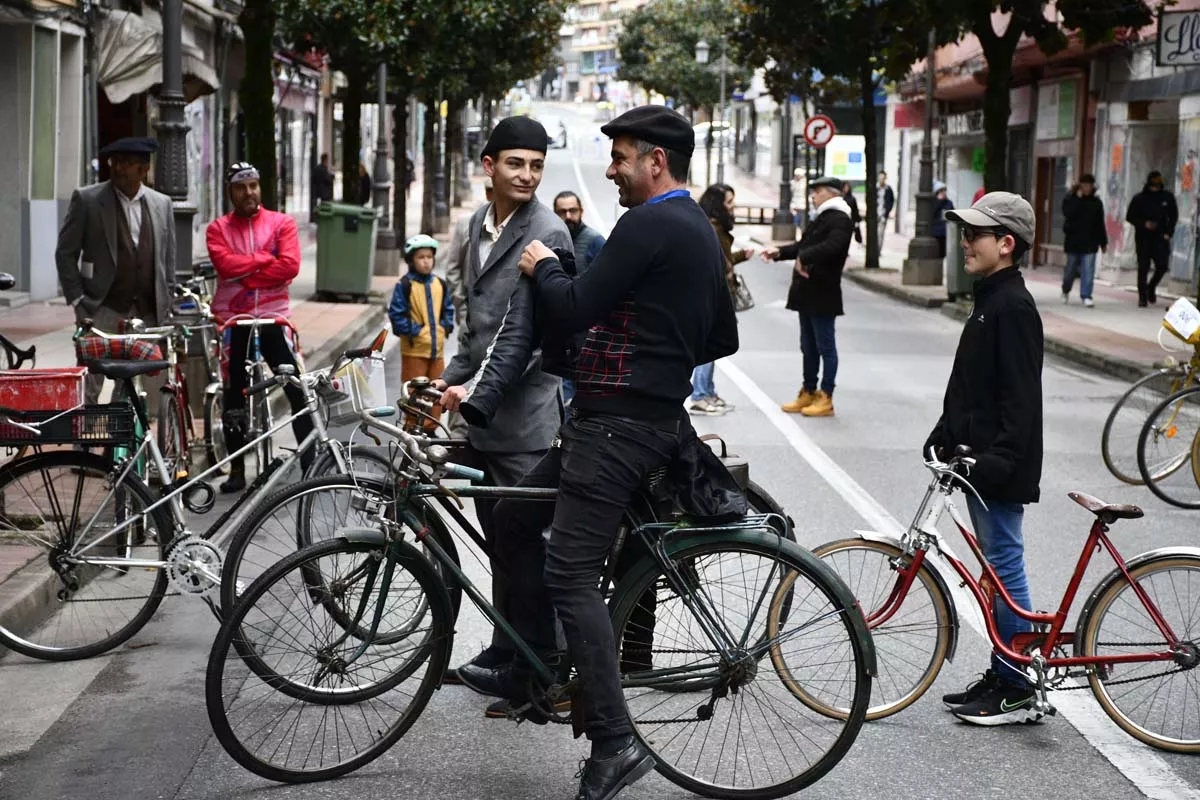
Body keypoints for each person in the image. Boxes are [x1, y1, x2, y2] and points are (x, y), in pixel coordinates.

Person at [454, 104, 737, 800]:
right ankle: (527, 667)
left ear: (655, 162)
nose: (610, 170)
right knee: (515, 521)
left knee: (570, 574)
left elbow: (574, 306)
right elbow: (722, 336)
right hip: (640, 419)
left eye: (620, 158)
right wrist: (659, 355)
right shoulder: (697, 228)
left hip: (616, 427)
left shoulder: (648, 224)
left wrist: (546, 265)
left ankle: (613, 743)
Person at [433, 116, 573, 683]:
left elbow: (539, 344)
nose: (527, 175)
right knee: (499, 542)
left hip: (527, 420)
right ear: (488, 166)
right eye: (516, 163)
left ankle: (545, 664)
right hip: (481, 414)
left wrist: (476, 388)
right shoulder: (476, 225)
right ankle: (504, 646)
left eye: (536, 165)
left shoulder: (549, 232)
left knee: (529, 546)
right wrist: (448, 380)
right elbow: (477, 327)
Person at [927, 191, 1044, 725]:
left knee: (1005, 566)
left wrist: (996, 461)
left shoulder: (1013, 307)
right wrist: (944, 432)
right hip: (980, 460)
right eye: (965, 232)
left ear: (1006, 243)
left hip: (997, 465)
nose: (964, 242)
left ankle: (1018, 684)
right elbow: (972, 388)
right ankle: (1005, 671)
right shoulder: (989, 298)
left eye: (975, 234)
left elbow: (1019, 399)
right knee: (996, 569)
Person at [205, 162, 308, 492]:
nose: (248, 192)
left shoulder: (282, 223)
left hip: (274, 318)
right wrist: (266, 259)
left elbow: (290, 265)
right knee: (234, 393)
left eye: (253, 185)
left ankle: (312, 462)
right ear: (230, 192)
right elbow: (224, 265)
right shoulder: (218, 229)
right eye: (240, 187)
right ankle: (237, 469)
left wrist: (245, 275)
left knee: (296, 387)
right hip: (234, 321)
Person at [55, 136, 177, 404]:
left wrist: (166, 301)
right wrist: (78, 300)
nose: (119, 168)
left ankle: (134, 442)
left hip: (147, 312)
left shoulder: (161, 204)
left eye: (127, 163)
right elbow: (65, 253)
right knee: (90, 386)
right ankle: (84, 443)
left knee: (152, 389)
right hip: (102, 309)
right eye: (116, 161)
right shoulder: (88, 200)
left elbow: (168, 260)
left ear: (144, 169)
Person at [764, 175, 854, 418]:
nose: (813, 196)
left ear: (829, 193)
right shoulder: (823, 217)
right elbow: (804, 245)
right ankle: (809, 390)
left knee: (825, 346)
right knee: (808, 346)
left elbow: (834, 246)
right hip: (809, 292)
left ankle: (826, 396)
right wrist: (779, 253)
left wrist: (805, 256)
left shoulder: (840, 218)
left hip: (823, 292)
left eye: (817, 192)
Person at [691, 182, 752, 415]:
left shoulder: (714, 226)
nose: (733, 206)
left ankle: (708, 391)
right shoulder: (711, 227)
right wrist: (728, 265)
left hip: (717, 292)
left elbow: (723, 260)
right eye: (729, 201)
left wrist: (739, 257)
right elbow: (715, 262)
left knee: (713, 344)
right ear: (718, 204)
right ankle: (699, 395)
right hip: (713, 294)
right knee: (709, 344)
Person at [389, 234, 455, 431]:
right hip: (414, 350)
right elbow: (397, 314)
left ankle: (431, 428)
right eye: (421, 257)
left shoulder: (439, 284)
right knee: (414, 393)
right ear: (411, 260)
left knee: (436, 392)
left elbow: (447, 309)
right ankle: (412, 427)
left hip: (437, 350)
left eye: (429, 257)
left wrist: (445, 326)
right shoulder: (405, 285)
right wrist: (416, 332)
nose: (426, 262)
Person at [552, 190, 607, 406]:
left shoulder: (594, 242)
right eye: (562, 212)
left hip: (588, 337)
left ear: (581, 211)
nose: (568, 216)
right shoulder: (551, 241)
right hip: (559, 335)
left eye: (572, 211)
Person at [445, 178, 495, 323]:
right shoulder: (466, 223)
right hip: (470, 307)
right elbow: (452, 267)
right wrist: (460, 301)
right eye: (492, 191)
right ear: (488, 193)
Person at [1125, 170, 1177, 307]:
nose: (1155, 188)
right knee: (1143, 267)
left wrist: (1169, 232)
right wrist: (1143, 224)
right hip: (1143, 237)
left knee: (1162, 266)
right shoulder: (1139, 198)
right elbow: (1130, 216)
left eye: (1158, 186)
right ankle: (1142, 296)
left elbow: (1173, 216)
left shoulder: (1167, 197)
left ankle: (1151, 286)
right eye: (1153, 185)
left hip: (1161, 236)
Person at [1061, 174, 1107, 307]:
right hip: (1073, 242)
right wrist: (1078, 199)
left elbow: (1100, 223)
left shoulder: (1096, 202)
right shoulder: (1070, 199)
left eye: (1089, 185)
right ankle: (1065, 290)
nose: (1087, 188)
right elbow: (1068, 214)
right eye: (1084, 185)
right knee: (1070, 270)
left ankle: (1086, 295)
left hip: (1090, 242)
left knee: (1088, 270)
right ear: (1079, 185)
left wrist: (1103, 242)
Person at [932, 181, 955, 259]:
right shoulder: (933, 202)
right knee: (936, 253)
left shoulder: (949, 202)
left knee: (943, 252)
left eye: (944, 190)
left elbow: (952, 214)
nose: (943, 192)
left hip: (945, 232)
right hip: (935, 232)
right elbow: (932, 213)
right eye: (941, 191)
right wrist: (939, 201)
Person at [876, 171, 895, 247]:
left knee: (880, 234)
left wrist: (887, 210)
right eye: (880, 178)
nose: (881, 180)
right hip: (875, 214)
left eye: (883, 178)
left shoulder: (888, 189)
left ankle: (878, 250)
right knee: (875, 233)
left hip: (883, 214)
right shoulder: (875, 188)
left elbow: (891, 201)